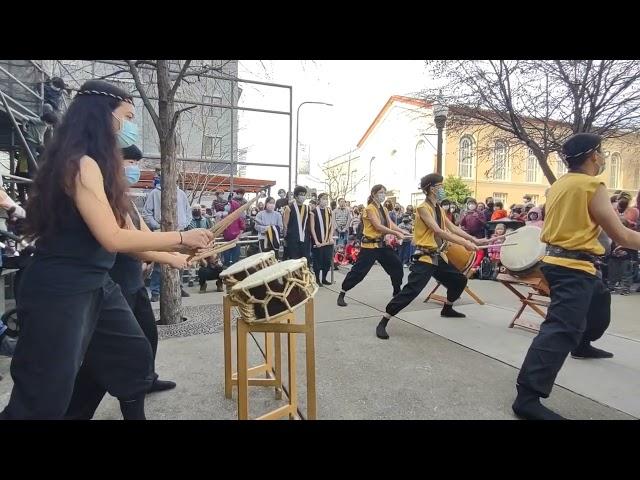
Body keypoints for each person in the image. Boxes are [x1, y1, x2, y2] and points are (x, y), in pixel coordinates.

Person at [0, 80, 213, 420]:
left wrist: (174, 257)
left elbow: (131, 237)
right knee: (41, 397)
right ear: (103, 115)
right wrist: (182, 238)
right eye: (127, 117)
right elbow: (112, 238)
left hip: (98, 283)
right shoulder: (79, 164)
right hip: (61, 288)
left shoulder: (99, 169)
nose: (129, 127)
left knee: (129, 356)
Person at [512, 133, 640, 421]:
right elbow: (620, 234)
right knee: (560, 329)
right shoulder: (591, 185)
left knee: (599, 302)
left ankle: (582, 345)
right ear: (594, 155)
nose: (604, 157)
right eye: (603, 153)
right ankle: (527, 397)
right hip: (573, 267)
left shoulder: (558, 185)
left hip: (562, 262)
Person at [64, 144, 192, 420]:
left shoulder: (127, 200)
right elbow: (129, 244)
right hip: (113, 285)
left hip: (134, 283)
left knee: (147, 338)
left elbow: (146, 236)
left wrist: (178, 249)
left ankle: (146, 380)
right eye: (129, 162)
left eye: (136, 162)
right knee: (110, 359)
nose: (133, 167)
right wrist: (175, 254)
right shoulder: (103, 198)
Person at [376, 173, 487, 339]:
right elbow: (438, 231)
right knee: (412, 291)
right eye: (440, 186)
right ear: (431, 188)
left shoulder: (439, 208)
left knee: (459, 280)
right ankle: (384, 319)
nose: (443, 189)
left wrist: (474, 240)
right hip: (425, 257)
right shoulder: (423, 208)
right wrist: (465, 244)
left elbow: (453, 228)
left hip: (438, 256)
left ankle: (447, 308)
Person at [337, 185, 408, 307]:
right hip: (369, 247)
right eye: (381, 192)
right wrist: (396, 233)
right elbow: (378, 226)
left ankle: (397, 291)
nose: (383, 195)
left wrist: (402, 231)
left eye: (384, 192)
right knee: (358, 273)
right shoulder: (369, 209)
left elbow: (390, 224)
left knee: (396, 266)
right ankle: (342, 293)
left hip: (382, 246)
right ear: (374, 194)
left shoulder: (384, 209)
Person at [141, 172, 192, 302]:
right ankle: (156, 291)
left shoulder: (182, 194)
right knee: (160, 263)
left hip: (180, 233)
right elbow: (147, 213)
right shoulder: (155, 193)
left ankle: (179, 287)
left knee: (180, 261)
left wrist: (183, 225)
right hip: (162, 232)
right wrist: (157, 226)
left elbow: (188, 212)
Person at [310, 193, 334, 285]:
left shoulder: (329, 210)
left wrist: (330, 237)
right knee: (317, 261)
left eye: (327, 199)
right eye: (323, 199)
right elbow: (312, 228)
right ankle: (317, 279)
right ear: (319, 200)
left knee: (327, 261)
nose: (325, 200)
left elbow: (331, 225)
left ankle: (324, 278)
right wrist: (316, 240)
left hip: (328, 241)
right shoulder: (314, 211)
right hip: (318, 240)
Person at [282, 186, 311, 263]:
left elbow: (309, 223)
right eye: (301, 194)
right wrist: (285, 238)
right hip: (293, 239)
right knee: (294, 261)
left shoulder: (308, 208)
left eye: (304, 194)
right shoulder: (289, 208)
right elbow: (285, 224)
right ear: (295, 196)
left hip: (305, 238)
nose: (303, 196)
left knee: (305, 261)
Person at [222, 196, 245, 266]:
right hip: (226, 241)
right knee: (226, 259)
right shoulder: (225, 216)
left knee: (235, 260)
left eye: (228, 205)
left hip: (236, 241)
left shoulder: (238, 217)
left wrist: (238, 236)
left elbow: (242, 228)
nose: (227, 206)